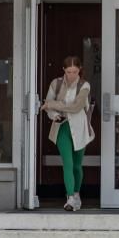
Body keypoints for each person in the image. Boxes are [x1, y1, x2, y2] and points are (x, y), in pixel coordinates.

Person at [40, 55, 94, 212]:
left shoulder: (85, 85)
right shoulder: (56, 84)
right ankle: (70, 197)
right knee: (68, 164)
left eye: (75, 71)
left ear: (80, 70)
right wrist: (52, 113)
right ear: (64, 70)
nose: (72, 75)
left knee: (77, 165)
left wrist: (53, 104)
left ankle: (76, 194)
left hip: (80, 128)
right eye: (69, 71)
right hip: (62, 127)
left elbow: (76, 107)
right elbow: (48, 107)